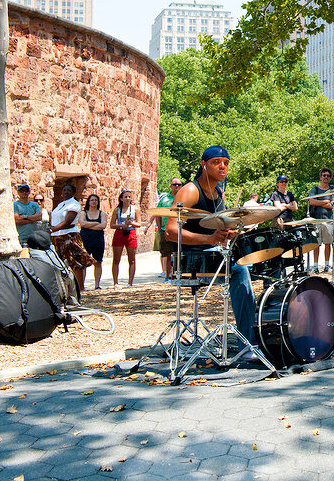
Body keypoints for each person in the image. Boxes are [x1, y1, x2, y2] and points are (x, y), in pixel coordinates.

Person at [166, 146, 257, 344]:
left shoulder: (219, 193)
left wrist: (229, 234)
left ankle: (259, 331)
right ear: (204, 165)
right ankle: (248, 342)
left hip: (213, 254)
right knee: (240, 271)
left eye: (225, 163)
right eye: (216, 162)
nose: (222, 166)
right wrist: (209, 239)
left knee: (256, 264)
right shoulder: (190, 190)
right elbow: (171, 232)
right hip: (192, 259)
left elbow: (217, 233)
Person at [50, 182, 94, 299]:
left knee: (74, 262)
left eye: (68, 190)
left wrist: (52, 229)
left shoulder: (74, 204)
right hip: (57, 236)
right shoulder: (60, 204)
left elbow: (68, 221)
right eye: (64, 190)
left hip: (68, 235)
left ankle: (80, 287)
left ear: (73, 192)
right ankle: (66, 288)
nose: (66, 192)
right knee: (61, 262)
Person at [109, 189, 146, 286]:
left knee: (132, 259)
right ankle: (115, 282)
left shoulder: (135, 209)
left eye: (129, 197)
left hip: (131, 233)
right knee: (116, 259)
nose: (127, 198)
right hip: (119, 233)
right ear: (121, 199)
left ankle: (130, 282)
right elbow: (112, 225)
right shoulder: (117, 210)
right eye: (125, 197)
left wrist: (131, 223)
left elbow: (139, 223)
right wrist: (121, 226)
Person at [152, 177, 182, 279]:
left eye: (179, 184)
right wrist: (160, 228)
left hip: (180, 231)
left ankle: (178, 275)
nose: (177, 186)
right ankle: (168, 276)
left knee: (179, 254)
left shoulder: (183, 198)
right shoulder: (164, 199)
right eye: (174, 184)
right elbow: (157, 214)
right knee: (167, 254)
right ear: (171, 186)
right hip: (166, 230)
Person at [308, 168, 334, 272]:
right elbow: (312, 202)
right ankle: (315, 266)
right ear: (320, 177)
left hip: (328, 219)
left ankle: (327, 265)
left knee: (328, 243)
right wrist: (325, 201)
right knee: (317, 244)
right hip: (316, 219)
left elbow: (332, 205)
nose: (326, 177)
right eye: (324, 175)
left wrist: (319, 201)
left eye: (328, 176)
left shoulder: (332, 190)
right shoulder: (314, 189)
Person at [79, 193, 106, 289]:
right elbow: (82, 223)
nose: (94, 202)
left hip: (98, 240)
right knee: (83, 263)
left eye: (95, 200)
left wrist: (89, 224)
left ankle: (97, 285)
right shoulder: (83, 213)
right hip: (85, 239)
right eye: (92, 200)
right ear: (88, 202)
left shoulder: (102, 214)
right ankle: (82, 285)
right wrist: (95, 223)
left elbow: (103, 226)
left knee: (98, 262)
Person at [13, 183, 41, 248]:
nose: (24, 192)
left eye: (26, 190)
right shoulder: (15, 205)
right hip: (20, 238)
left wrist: (25, 217)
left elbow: (39, 217)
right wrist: (33, 218)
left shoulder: (34, 205)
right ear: (18, 192)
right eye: (21, 191)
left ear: (29, 192)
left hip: (33, 237)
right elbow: (17, 220)